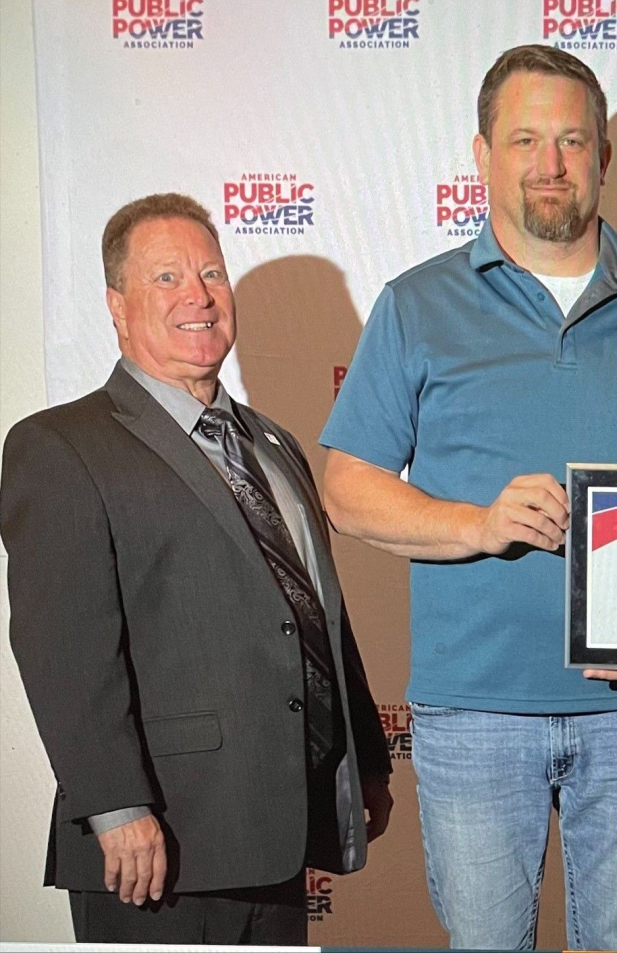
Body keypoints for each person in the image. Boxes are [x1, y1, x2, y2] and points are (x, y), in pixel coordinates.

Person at [319, 45, 617, 951]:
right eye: (525, 139)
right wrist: (477, 524)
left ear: (606, 155)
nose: (549, 164)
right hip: (472, 712)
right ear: (481, 157)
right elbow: (348, 489)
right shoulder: (415, 304)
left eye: (571, 140)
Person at [1, 193, 392, 945]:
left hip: (277, 828)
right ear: (117, 307)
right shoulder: (62, 446)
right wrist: (117, 808)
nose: (198, 296)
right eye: (167, 278)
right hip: (158, 845)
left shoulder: (272, 445)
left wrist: (363, 756)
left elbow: (313, 612)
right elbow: (63, 651)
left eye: (211, 273)